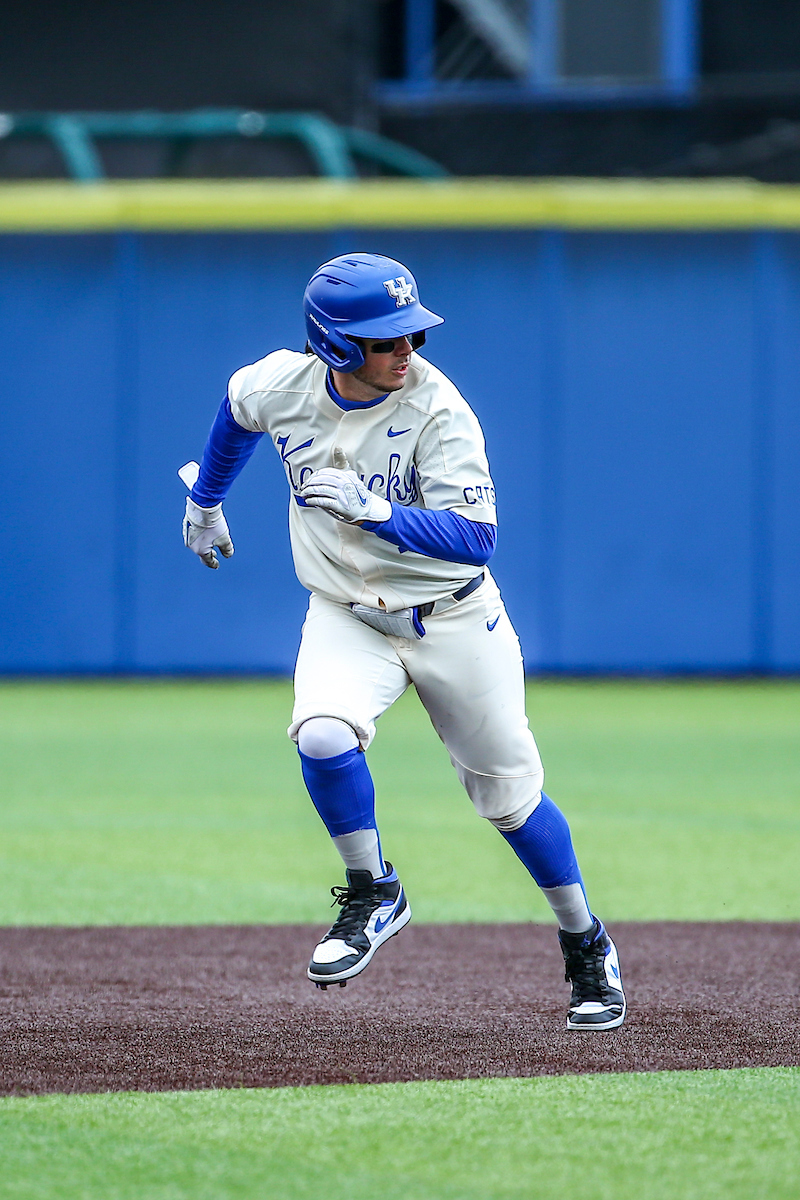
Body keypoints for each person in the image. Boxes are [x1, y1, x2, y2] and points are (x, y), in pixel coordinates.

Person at [180, 252, 626, 1031]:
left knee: (511, 800)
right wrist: (209, 501)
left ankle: (585, 941)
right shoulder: (281, 382)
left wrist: (376, 513)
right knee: (321, 733)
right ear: (337, 347)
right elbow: (235, 412)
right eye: (388, 339)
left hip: (454, 618)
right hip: (349, 614)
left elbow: (476, 537)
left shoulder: (438, 408)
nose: (407, 350)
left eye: (412, 333)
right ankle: (373, 890)